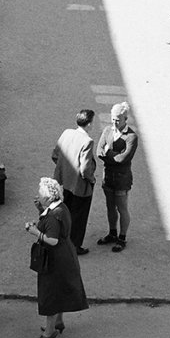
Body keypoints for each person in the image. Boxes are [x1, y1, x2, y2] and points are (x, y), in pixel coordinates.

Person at [25, 177, 89, 338]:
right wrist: (40, 209)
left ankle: (49, 332)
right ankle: (58, 323)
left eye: (40, 195)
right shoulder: (61, 207)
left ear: (47, 197)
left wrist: (35, 232)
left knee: (51, 295)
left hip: (55, 260)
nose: (38, 196)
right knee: (60, 292)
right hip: (65, 256)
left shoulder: (54, 216)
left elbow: (52, 239)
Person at [52, 109, 97, 255]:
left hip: (64, 182)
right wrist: (92, 179)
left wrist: (65, 171)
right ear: (89, 124)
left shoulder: (67, 133)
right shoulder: (87, 141)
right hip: (79, 186)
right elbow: (85, 169)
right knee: (79, 217)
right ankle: (75, 246)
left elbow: (55, 155)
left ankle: (62, 238)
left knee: (65, 211)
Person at [95, 102, 138, 253]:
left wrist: (108, 153)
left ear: (126, 118)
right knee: (110, 207)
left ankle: (122, 237)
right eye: (112, 119)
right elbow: (98, 151)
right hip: (108, 177)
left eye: (118, 119)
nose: (114, 122)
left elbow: (122, 159)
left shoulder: (131, 137)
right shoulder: (107, 130)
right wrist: (110, 154)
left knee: (122, 208)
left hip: (122, 179)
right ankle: (112, 233)